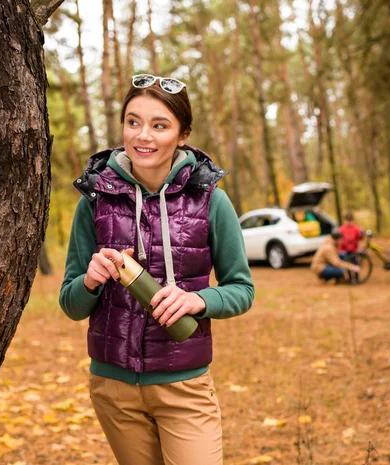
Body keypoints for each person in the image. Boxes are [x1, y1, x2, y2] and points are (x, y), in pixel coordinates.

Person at [59, 73, 255, 465]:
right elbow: (70, 303)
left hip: (183, 385)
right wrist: (91, 280)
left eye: (159, 125)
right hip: (113, 388)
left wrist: (196, 300)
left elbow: (241, 289)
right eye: (133, 122)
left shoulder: (211, 201)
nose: (143, 136)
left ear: (182, 135)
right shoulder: (94, 202)